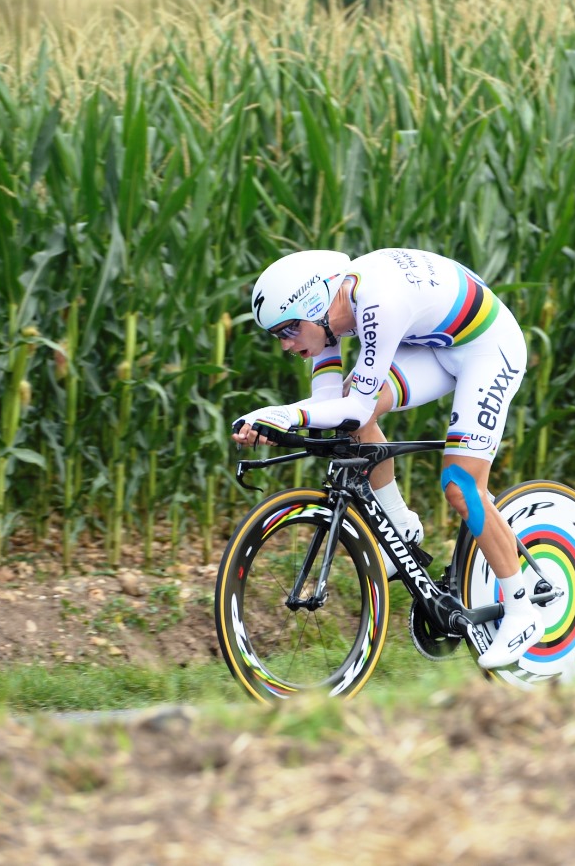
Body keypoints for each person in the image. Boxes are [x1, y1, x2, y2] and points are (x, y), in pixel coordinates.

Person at [231, 248, 540, 670]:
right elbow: (330, 405)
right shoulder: (330, 318)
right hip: (435, 345)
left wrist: (284, 414)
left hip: (488, 346)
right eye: (277, 336)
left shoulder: (377, 301)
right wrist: (275, 419)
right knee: (346, 411)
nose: (286, 345)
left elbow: (356, 409)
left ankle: (522, 612)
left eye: (288, 330)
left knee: (461, 486)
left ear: (315, 305)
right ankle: (400, 526)